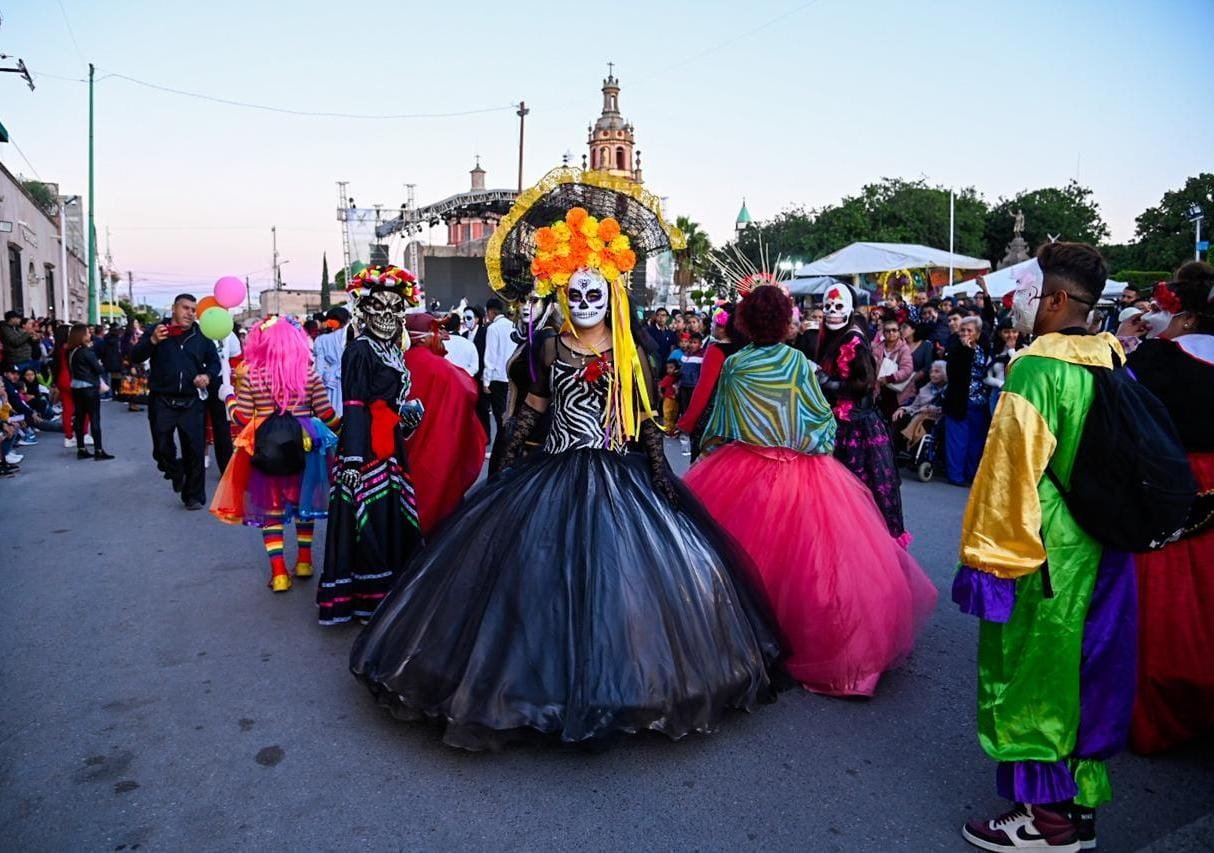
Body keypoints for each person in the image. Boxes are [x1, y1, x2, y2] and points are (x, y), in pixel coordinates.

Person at [348, 184, 780, 750]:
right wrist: (502, 470)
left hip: (619, 477)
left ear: (612, 293)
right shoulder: (548, 348)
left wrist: (660, 477)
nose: (583, 304)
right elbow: (529, 414)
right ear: (561, 292)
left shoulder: (630, 353)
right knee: (536, 587)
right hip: (550, 473)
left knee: (622, 587)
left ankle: (626, 686)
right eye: (574, 294)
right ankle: (534, 687)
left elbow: (645, 422)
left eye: (593, 294)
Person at [952, 243, 1135, 853]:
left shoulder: (1036, 368)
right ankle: (1078, 809)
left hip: (1047, 551)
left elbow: (1007, 478)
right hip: (1104, 549)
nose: (1019, 301)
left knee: (1031, 679)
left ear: (1056, 299)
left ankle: (1044, 821)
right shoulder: (1112, 357)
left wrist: (988, 566)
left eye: (1029, 290)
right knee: (1086, 673)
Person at [684, 285, 935, 696]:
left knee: (744, 561)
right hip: (798, 467)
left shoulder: (736, 366)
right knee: (809, 564)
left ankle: (748, 640)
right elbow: (819, 419)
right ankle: (804, 640)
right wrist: (814, 448)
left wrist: (711, 452)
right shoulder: (799, 363)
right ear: (785, 322)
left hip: (741, 464)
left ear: (746, 322)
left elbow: (722, 422)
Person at [1126, 264, 1214, 755]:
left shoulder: (1160, 357)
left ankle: (1156, 705)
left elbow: (1123, 401)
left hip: (1174, 476)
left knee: (1165, 590)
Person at [317, 266, 426, 625]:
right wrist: (351, 461)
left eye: (394, 308)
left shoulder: (390, 350)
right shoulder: (361, 351)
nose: (385, 315)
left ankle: (388, 593)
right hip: (366, 453)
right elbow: (355, 407)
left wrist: (407, 417)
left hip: (390, 447)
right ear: (363, 312)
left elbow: (390, 404)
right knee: (371, 526)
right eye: (377, 307)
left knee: (389, 521)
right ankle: (366, 600)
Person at [210, 316, 339, 592]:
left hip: (268, 447)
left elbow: (242, 418)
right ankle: (304, 561)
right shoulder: (308, 374)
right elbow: (328, 416)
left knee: (271, 511)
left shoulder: (253, 375)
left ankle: (279, 573)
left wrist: (228, 398)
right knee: (304, 504)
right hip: (306, 446)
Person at [816, 282, 909, 545]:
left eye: (837, 306)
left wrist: (827, 382)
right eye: (828, 306)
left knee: (860, 491)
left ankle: (866, 548)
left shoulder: (853, 339)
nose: (832, 311)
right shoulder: (835, 336)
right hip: (841, 423)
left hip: (857, 427)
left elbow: (866, 382)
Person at [130, 294, 220, 510]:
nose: (190, 313)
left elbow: (215, 363)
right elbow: (135, 356)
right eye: (185, 308)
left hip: (192, 401)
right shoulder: (157, 330)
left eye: (193, 309)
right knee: (161, 448)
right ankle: (175, 471)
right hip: (162, 398)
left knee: (195, 451)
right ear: (174, 309)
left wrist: (206, 376)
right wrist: (152, 342)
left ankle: (193, 496)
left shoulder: (202, 335)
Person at [402, 312, 487, 535]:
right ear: (422, 336)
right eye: (438, 331)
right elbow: (468, 390)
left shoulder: (396, 362)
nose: (445, 337)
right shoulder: (441, 369)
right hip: (433, 448)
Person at [676, 305, 746, 459]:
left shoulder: (715, 350)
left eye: (714, 324)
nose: (711, 327)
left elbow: (704, 389)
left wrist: (686, 423)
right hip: (742, 420)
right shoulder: (747, 350)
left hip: (715, 420)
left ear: (722, 328)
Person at [944, 315, 992, 485]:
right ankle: (956, 476)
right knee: (957, 442)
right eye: (962, 330)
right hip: (958, 401)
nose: (965, 333)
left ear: (977, 333)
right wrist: (965, 350)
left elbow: (989, 318)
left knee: (976, 442)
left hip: (980, 401)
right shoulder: (955, 348)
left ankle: (972, 474)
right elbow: (954, 373)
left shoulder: (984, 348)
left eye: (969, 330)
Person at [65, 324, 114, 461]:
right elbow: (99, 369)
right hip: (89, 386)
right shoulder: (87, 352)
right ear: (81, 336)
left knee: (80, 417)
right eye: (87, 333)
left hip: (76, 386)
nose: (89, 335)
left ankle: (81, 448)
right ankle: (98, 450)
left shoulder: (71, 351)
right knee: (94, 418)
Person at [482, 296, 514, 439]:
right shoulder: (513, 325)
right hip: (512, 378)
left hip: (497, 379)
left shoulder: (493, 328)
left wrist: (486, 381)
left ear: (491, 312)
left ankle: (502, 447)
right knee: (511, 415)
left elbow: (490, 356)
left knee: (500, 418)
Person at [872, 317, 913, 420]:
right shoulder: (877, 349)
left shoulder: (904, 348)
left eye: (894, 330)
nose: (891, 333)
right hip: (880, 391)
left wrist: (889, 378)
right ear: (883, 333)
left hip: (898, 393)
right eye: (887, 331)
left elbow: (907, 369)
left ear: (899, 332)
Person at [313, 306, 351, 415]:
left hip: (330, 381)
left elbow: (319, 369)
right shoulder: (352, 336)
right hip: (349, 378)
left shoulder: (321, 340)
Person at [441, 313, 479, 378]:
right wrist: (462, 376)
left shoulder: (438, 343)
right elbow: (475, 368)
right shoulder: (469, 344)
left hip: (443, 381)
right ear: (459, 327)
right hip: (463, 383)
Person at [657, 358, 680, 434]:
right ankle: (668, 430)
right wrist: (660, 393)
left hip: (675, 399)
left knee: (674, 414)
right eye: (668, 368)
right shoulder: (667, 378)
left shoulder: (676, 377)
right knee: (668, 414)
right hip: (668, 399)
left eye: (671, 367)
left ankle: (672, 429)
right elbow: (660, 386)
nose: (669, 370)